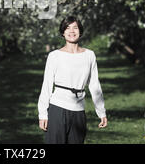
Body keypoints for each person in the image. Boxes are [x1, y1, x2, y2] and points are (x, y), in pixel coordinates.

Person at [38, 16, 107, 144]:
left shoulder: (89, 55)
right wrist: (43, 114)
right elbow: (47, 85)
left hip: (79, 111)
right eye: (67, 28)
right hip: (57, 109)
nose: (71, 31)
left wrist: (101, 112)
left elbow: (94, 85)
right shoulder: (54, 56)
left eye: (75, 27)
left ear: (80, 31)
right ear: (63, 33)